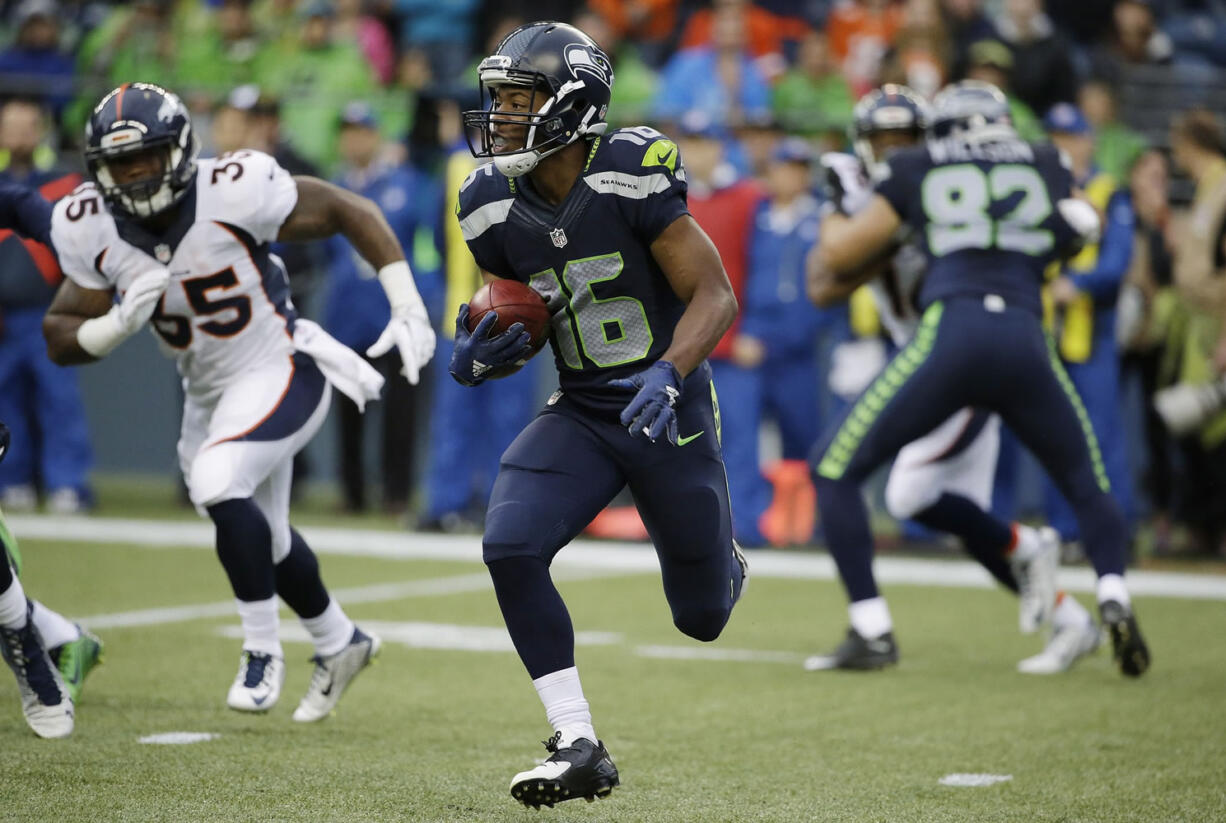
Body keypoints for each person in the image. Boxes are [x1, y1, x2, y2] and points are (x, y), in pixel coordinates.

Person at [39, 82, 436, 719]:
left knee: (220, 481)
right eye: (119, 164)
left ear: (180, 151)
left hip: (280, 364)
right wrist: (112, 326)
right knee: (264, 535)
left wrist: (407, 304)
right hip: (207, 392)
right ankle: (340, 640)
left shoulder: (233, 185)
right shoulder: (87, 225)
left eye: (146, 158)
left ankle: (261, 648)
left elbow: (345, 209)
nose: (134, 176)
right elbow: (60, 337)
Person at [453, 22, 747, 808]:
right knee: (510, 543)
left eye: (521, 99)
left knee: (702, 617)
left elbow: (714, 296)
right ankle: (577, 740)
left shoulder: (630, 170)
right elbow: (513, 310)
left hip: (666, 407)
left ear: (571, 103)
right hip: (583, 408)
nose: (503, 115)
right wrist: (481, 349)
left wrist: (672, 370)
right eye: (500, 99)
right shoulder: (485, 203)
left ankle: (726, 559)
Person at [809, 80, 1150, 679]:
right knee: (962, 516)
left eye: (905, 140)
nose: (894, 152)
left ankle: (1006, 558)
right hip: (946, 352)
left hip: (949, 354)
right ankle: (1071, 618)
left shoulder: (923, 179)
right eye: (883, 141)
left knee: (906, 494)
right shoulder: (896, 188)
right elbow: (822, 285)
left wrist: (882, 221)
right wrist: (883, 227)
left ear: (933, 141)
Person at [325, 101, 441, 514]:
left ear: (376, 135)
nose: (355, 139)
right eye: (348, 131)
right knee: (349, 408)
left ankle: (396, 492)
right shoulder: (333, 188)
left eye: (362, 130)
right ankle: (352, 491)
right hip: (348, 314)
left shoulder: (407, 184)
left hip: (395, 313)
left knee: (401, 411)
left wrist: (424, 301)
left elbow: (427, 244)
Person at [1037, 103, 1136, 545]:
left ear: (1086, 141)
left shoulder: (1108, 190)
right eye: (1054, 139)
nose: (1061, 147)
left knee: (1098, 437)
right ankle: (1064, 530)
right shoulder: (1040, 187)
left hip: (1091, 331)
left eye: (1068, 138)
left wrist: (1079, 283)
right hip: (1045, 333)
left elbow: (1117, 260)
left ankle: (1110, 531)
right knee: (1055, 435)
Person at [0, 98, 94, 513]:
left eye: (26, 126)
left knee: (60, 401)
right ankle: (12, 479)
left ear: (40, 131)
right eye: (10, 126)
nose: (18, 134)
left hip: (48, 310)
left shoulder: (66, 183)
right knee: (5, 401)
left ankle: (67, 483)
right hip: (3, 317)